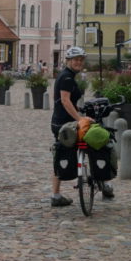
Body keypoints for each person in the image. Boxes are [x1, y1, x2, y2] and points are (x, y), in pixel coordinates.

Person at [49, 46, 87, 207]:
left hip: (60, 121)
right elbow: (65, 101)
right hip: (64, 124)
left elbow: (69, 101)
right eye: (75, 60)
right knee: (89, 142)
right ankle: (98, 180)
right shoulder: (66, 78)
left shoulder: (67, 75)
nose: (78, 62)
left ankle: (56, 195)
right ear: (68, 61)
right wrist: (80, 119)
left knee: (60, 153)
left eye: (80, 60)